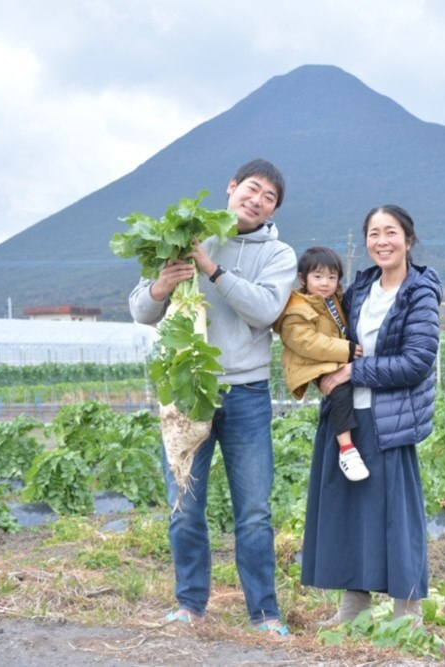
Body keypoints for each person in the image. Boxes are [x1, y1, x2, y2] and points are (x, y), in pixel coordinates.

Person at [128, 159, 297, 638]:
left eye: (269, 197)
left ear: (274, 210)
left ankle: (264, 614)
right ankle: (190, 605)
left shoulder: (278, 254)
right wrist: (161, 285)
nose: (257, 200)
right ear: (231, 187)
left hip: (246, 393)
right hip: (186, 390)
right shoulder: (185, 235)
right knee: (184, 503)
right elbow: (141, 309)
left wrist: (213, 269)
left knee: (254, 511)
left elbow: (265, 310)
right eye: (252, 189)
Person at [300, 204, 442, 625]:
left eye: (391, 232)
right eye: (374, 233)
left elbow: (416, 361)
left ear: (408, 240)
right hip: (348, 417)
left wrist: (352, 371)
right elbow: (326, 336)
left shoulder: (420, 292)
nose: (382, 241)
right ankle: (353, 609)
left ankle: (407, 614)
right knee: (350, 511)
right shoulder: (359, 289)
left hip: (390, 420)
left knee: (397, 517)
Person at [273, 247, 369, 481]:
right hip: (311, 363)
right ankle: (347, 449)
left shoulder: (333, 300)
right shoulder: (296, 308)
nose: (325, 283)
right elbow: (306, 342)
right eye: (318, 276)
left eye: (332, 277)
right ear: (302, 279)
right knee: (340, 390)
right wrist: (346, 350)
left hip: (329, 358)